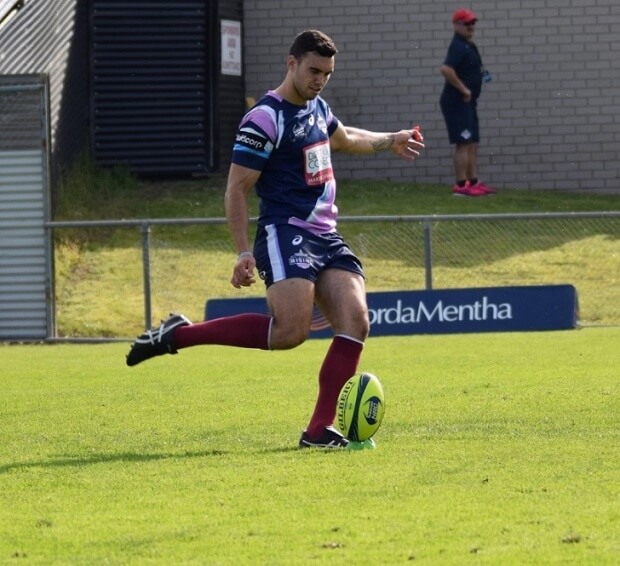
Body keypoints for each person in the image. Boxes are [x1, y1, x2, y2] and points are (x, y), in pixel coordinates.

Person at [126, 30, 424, 449]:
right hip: (285, 232)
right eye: (313, 71)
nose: (320, 80)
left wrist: (390, 140)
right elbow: (236, 188)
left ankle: (319, 431)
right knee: (289, 332)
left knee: (356, 322)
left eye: (327, 74)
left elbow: (345, 139)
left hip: (327, 235)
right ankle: (177, 335)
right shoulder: (265, 118)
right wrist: (242, 251)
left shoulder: (318, 109)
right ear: (291, 64)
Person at [440, 8, 496, 197]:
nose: (471, 27)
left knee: (472, 142)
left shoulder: (468, 45)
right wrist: (464, 90)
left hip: (468, 103)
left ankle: (473, 182)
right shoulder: (457, 45)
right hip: (457, 102)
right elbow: (446, 69)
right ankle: (461, 185)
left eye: (473, 23)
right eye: (466, 23)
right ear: (457, 25)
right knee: (463, 143)